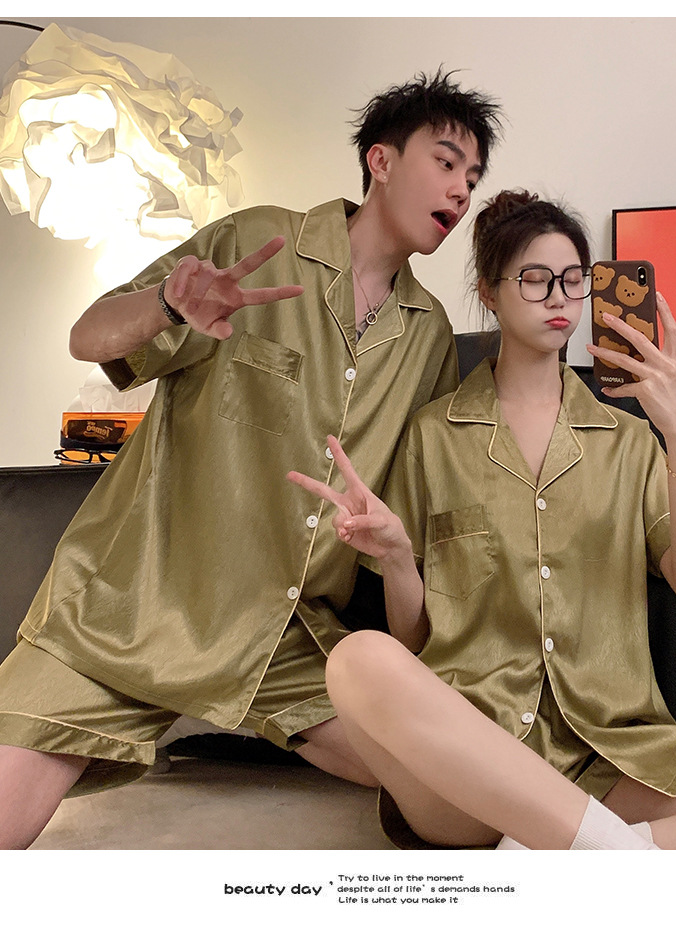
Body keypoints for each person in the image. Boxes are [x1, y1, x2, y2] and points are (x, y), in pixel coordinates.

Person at [0, 70, 502, 849]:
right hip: (128, 604)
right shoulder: (254, 243)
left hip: (282, 634)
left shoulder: (427, 334)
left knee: (456, 794)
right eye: (446, 162)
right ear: (381, 160)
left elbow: (410, 503)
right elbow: (89, 336)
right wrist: (166, 306)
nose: (462, 189)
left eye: (473, 176)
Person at [288, 190, 676, 850]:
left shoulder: (630, 442)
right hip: (475, 771)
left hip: (614, 757)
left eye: (572, 279)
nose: (559, 297)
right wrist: (393, 556)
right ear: (490, 291)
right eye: (535, 279)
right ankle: (609, 853)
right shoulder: (432, 437)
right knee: (358, 658)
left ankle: (580, 854)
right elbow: (414, 639)